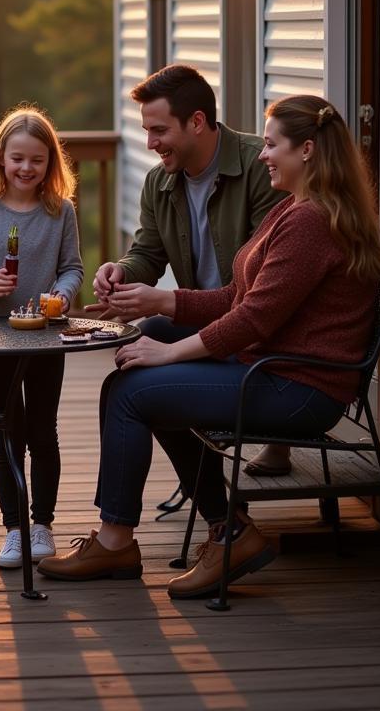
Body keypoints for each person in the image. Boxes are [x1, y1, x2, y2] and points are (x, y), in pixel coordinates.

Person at [37, 95, 380, 599]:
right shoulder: (294, 208)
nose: (263, 154)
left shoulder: (310, 223)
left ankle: (121, 541)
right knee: (150, 338)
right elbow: (236, 297)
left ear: (307, 150)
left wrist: (170, 355)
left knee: (133, 390)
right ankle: (229, 528)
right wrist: (161, 305)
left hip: (299, 386)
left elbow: (252, 317)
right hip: (274, 365)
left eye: (272, 145)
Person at [87, 64, 288, 497]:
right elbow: (147, 252)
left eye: (159, 130)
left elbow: (258, 296)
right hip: (209, 316)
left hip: (256, 335)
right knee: (135, 349)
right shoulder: (159, 182)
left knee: (140, 384)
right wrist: (121, 271)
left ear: (197, 121)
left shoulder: (262, 169)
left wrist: (164, 302)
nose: (150, 143)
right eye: (146, 130)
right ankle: (215, 508)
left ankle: (213, 514)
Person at [0, 106, 83, 569]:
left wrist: (63, 295)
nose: (27, 168)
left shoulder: (60, 211)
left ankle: (43, 524)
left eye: (37, 159)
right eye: (17, 159)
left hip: (47, 334)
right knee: (7, 428)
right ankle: (14, 529)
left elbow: (72, 267)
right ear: (1, 160)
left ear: (51, 163)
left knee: (43, 430)